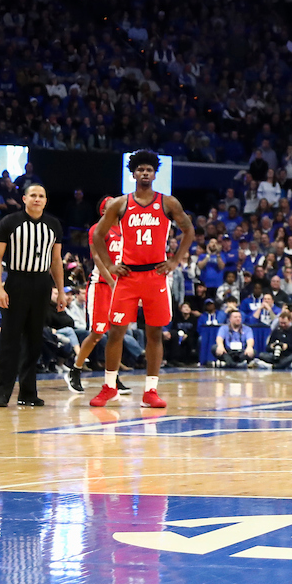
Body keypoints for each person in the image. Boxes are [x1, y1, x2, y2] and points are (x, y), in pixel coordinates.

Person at [90, 151, 194, 408]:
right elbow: (97, 236)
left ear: (155, 174)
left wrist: (174, 260)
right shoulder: (120, 204)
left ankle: (150, 391)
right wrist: (112, 265)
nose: (145, 173)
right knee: (116, 331)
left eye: (149, 169)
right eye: (140, 170)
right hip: (128, 276)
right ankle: (109, 386)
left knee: (154, 333)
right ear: (133, 173)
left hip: (155, 276)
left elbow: (189, 230)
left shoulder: (168, 203)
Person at [0, 183, 65, 406]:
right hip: (16, 281)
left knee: (35, 340)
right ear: (24, 198)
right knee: (10, 339)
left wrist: (60, 291)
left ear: (45, 200)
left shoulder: (53, 224)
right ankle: (2, 392)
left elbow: (56, 261)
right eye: (33, 195)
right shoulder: (9, 222)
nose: (37, 199)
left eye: (41, 195)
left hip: (42, 284)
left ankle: (28, 392)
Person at [65, 196, 130, 395]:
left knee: (117, 334)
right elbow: (98, 259)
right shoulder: (97, 229)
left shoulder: (126, 230)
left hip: (121, 287)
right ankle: (75, 370)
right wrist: (111, 282)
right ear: (103, 211)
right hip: (101, 286)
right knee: (97, 333)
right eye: (111, 206)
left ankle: (113, 376)